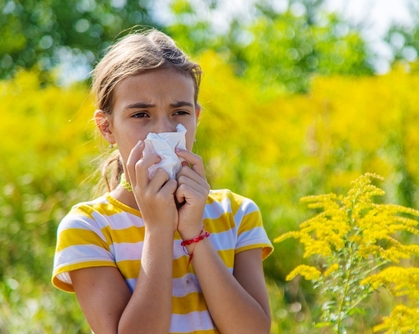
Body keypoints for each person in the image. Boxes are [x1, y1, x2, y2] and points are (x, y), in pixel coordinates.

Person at [52, 29, 273, 334]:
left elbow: (253, 331)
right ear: (107, 128)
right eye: (141, 114)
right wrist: (158, 229)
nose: (163, 130)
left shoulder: (236, 213)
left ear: (196, 117)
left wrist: (193, 230)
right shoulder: (88, 228)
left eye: (179, 112)